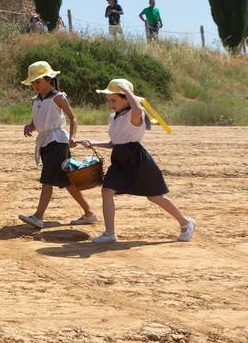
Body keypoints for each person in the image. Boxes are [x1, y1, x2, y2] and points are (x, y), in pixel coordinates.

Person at [79, 78, 194, 244]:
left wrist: (126, 90)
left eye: (114, 100)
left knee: (155, 197)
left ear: (127, 98)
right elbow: (114, 143)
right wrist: (93, 143)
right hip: (119, 159)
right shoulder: (113, 117)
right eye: (109, 100)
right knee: (107, 192)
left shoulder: (135, 115)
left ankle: (186, 222)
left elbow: (138, 108)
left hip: (137, 160)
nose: (110, 103)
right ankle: (109, 233)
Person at [16, 62, 95, 228]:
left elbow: (73, 118)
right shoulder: (35, 100)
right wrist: (30, 126)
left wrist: (72, 138)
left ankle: (38, 216)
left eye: (37, 81)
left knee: (47, 179)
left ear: (48, 79)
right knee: (66, 181)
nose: (34, 85)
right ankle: (89, 213)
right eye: (32, 82)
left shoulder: (58, 97)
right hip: (45, 142)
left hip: (58, 141)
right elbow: (36, 121)